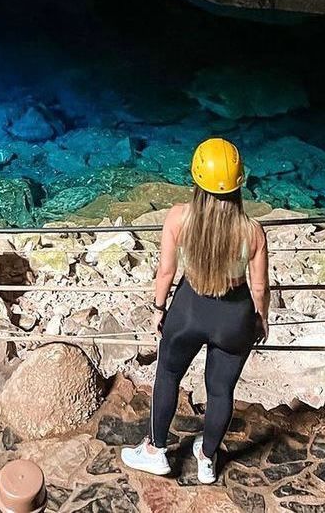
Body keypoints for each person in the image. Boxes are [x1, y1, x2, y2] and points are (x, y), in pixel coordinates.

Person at [121, 137, 270, 484]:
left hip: (188, 310)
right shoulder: (253, 231)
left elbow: (166, 273)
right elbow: (260, 287)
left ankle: (156, 451)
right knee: (220, 391)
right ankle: (206, 458)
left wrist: (158, 309)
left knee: (168, 376)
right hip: (235, 318)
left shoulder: (178, 218)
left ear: (196, 178)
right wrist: (260, 320)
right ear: (239, 182)